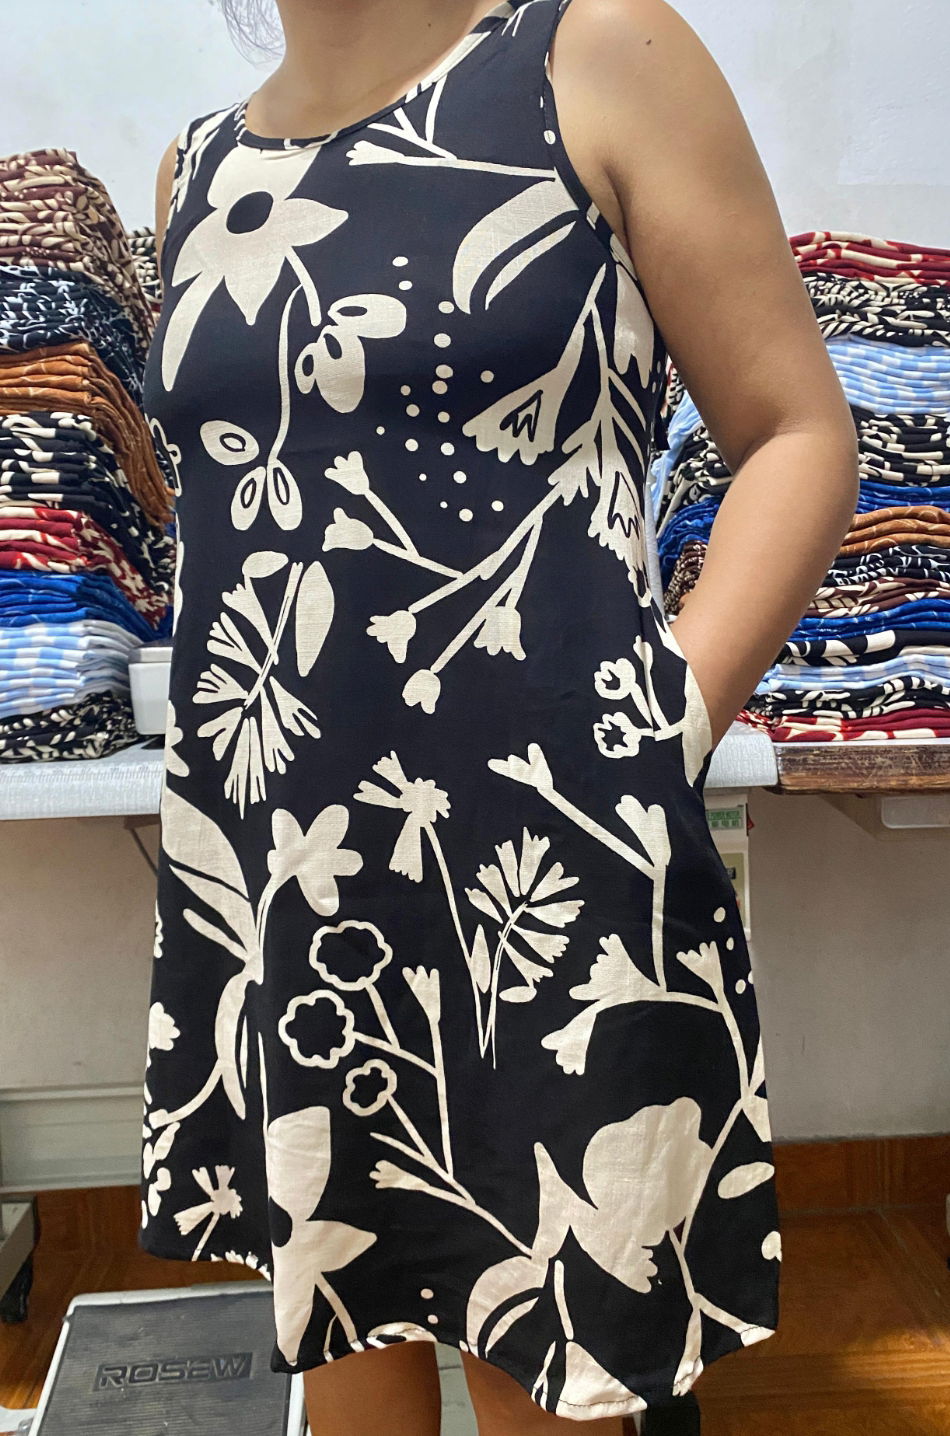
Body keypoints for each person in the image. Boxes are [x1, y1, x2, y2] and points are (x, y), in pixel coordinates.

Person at [140, 0, 859, 1432]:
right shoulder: (197, 170)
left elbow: (795, 430)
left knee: (559, 1360)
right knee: (343, 1318)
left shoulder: (588, 56)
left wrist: (661, 720)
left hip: (543, 865)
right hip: (295, 872)